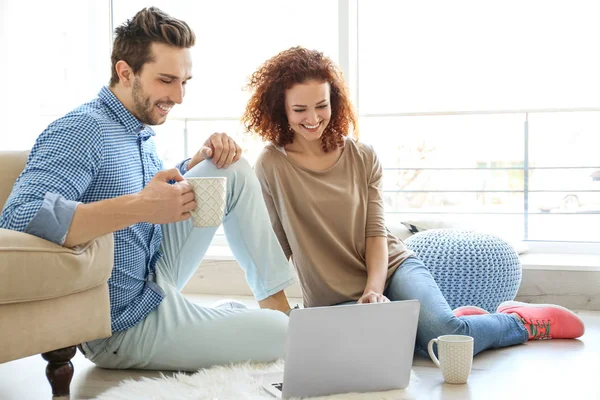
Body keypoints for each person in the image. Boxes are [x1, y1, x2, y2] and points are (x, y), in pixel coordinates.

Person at [0, 7, 298, 371]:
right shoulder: (82, 130)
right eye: (167, 80)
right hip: (122, 325)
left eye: (185, 81)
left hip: (156, 274)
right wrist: (142, 205)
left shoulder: (136, 129)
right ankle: (255, 323)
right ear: (125, 72)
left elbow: (147, 195)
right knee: (283, 336)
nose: (179, 95)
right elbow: (20, 217)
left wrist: (195, 164)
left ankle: (276, 305)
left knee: (228, 168)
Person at [243, 46, 585, 357]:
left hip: (390, 269)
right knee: (400, 351)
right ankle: (451, 321)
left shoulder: (362, 156)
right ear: (281, 110)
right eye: (300, 109)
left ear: (334, 101)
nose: (313, 118)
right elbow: (276, 247)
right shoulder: (271, 165)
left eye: (322, 105)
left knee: (446, 338)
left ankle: (520, 322)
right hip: (332, 298)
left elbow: (375, 234)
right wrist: (278, 318)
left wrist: (374, 292)